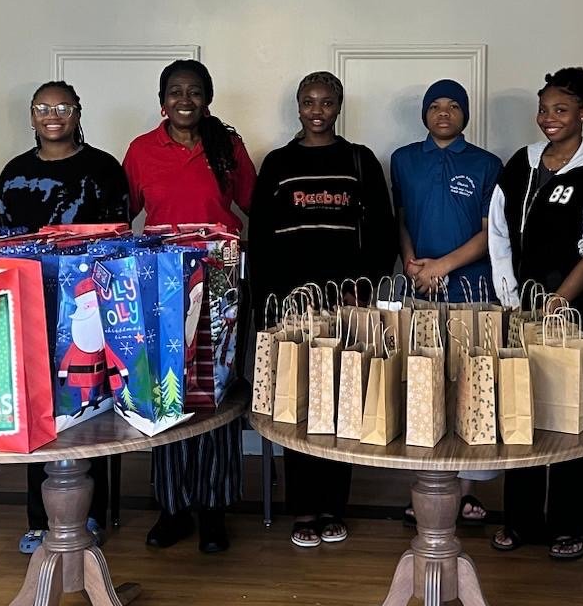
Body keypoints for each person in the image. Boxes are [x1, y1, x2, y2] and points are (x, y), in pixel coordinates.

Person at [247, 71, 396, 549]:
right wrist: (267, 305)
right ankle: (304, 508)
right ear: (298, 107)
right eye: (308, 102)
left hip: (346, 306)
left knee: (342, 400)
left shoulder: (360, 160)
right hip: (292, 306)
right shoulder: (278, 163)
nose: (317, 110)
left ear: (338, 107)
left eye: (326, 102)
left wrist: (365, 288)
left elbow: (383, 233)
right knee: (298, 403)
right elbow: (263, 238)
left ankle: (335, 505)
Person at [487, 68, 583, 561]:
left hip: (573, 306)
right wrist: (510, 296)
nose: (549, 118)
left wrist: (559, 303)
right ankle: (520, 519)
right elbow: (497, 228)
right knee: (520, 407)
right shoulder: (520, 164)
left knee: (568, 411)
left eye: (561, 110)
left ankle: (570, 524)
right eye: (544, 108)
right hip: (521, 305)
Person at [122, 59, 257, 554]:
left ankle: (215, 509)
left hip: (221, 279)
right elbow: (123, 219)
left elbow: (254, 206)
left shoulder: (227, 146)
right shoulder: (141, 151)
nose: (186, 100)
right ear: (163, 100)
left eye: (195, 91)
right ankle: (174, 506)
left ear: (207, 99)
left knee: (215, 389)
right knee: (168, 391)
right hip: (163, 285)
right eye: (176, 91)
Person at [0, 80, 129, 554]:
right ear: (31, 116)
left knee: (91, 406)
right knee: (40, 407)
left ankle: (88, 513)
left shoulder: (105, 167)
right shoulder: (14, 172)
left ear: (77, 112)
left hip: (91, 305)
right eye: (43, 108)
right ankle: (39, 519)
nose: (53, 115)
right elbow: (1, 243)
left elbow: (120, 237)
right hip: (31, 303)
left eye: (63, 107)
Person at [390, 78, 503, 527]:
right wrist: (413, 264)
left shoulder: (486, 164)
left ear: (465, 114)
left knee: (469, 389)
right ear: (423, 114)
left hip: (473, 292)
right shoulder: (403, 160)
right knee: (421, 387)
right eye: (434, 106)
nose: (443, 113)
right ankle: (425, 488)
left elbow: (489, 233)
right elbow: (400, 220)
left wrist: (445, 266)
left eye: (452, 105)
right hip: (419, 290)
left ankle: (466, 492)